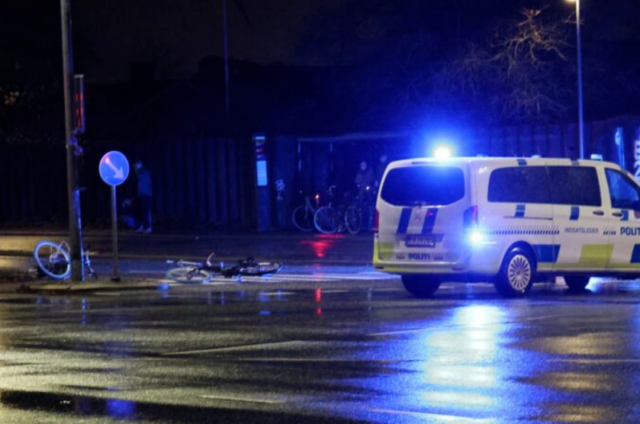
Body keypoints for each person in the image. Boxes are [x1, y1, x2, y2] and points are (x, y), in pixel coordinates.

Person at [134, 160, 153, 233]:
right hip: (142, 195)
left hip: (146, 195)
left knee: (145, 211)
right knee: (140, 211)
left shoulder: (144, 173)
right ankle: (142, 226)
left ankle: (147, 227)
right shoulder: (140, 173)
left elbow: (145, 185)